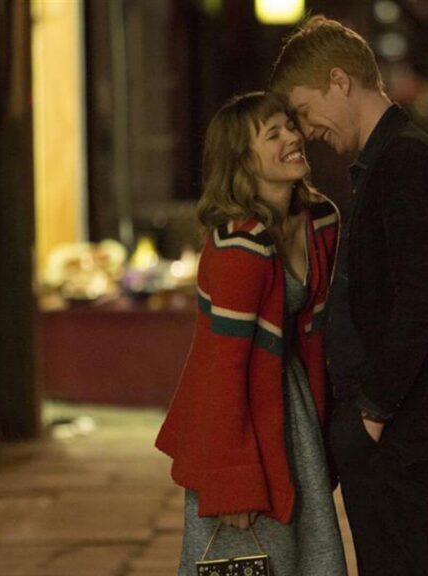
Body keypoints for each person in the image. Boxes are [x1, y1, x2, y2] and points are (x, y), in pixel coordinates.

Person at [271, 16, 428, 576]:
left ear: (340, 82)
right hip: (386, 422)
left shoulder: (405, 160)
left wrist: (371, 412)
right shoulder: (382, 158)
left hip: (394, 426)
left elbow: (424, 300)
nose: (302, 131)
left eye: (302, 110)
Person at [155, 91, 347, 576]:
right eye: (274, 134)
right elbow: (220, 369)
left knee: (309, 556)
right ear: (243, 160)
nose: (293, 138)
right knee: (255, 558)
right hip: (238, 425)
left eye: (290, 126)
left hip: (291, 410)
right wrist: (231, 484)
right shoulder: (237, 247)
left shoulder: (319, 221)